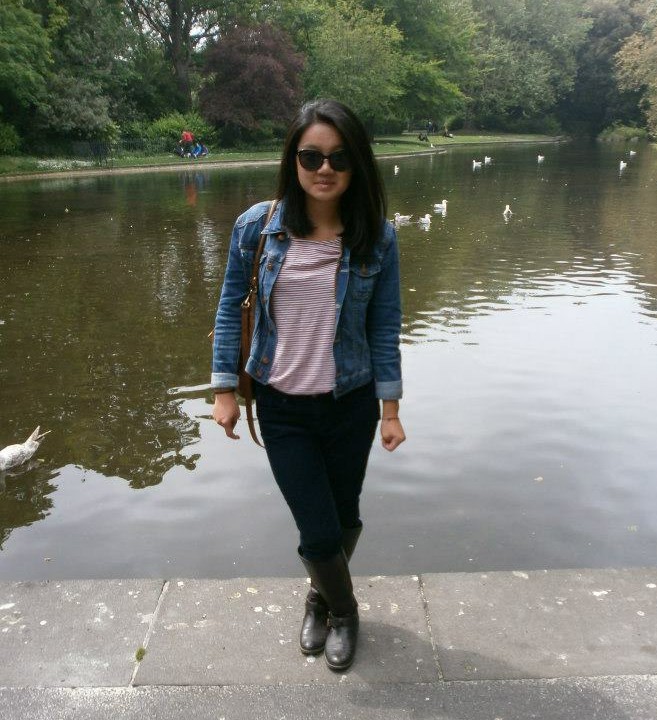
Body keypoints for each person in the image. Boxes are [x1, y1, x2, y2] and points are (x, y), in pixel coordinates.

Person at [210, 99, 406, 671]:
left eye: (339, 158)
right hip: (282, 405)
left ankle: (319, 599)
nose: (325, 169)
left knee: (345, 515)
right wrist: (224, 389)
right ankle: (345, 611)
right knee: (317, 529)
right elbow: (230, 308)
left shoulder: (378, 238)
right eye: (311, 156)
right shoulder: (257, 227)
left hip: (351, 402)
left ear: (357, 164)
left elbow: (384, 327)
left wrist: (390, 408)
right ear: (293, 159)